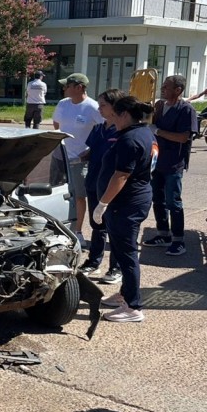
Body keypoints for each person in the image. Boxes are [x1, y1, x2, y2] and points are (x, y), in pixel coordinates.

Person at [92, 95, 155, 324]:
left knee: (127, 254)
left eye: (114, 115)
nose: (112, 120)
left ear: (125, 114)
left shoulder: (130, 139)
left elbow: (121, 175)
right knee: (120, 250)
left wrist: (103, 203)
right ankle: (125, 294)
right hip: (132, 200)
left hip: (125, 204)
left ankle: (133, 306)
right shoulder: (146, 132)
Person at [143, 74, 197, 256]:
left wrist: (158, 131)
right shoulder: (159, 106)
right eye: (163, 86)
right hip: (157, 160)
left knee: (173, 201)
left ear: (178, 90)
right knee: (157, 199)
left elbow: (183, 137)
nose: (162, 89)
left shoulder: (186, 110)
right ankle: (163, 233)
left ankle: (178, 240)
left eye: (166, 87)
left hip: (174, 162)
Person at [50, 73, 103, 245]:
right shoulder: (63, 104)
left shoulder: (93, 107)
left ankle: (78, 232)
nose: (64, 88)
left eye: (67, 85)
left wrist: (90, 151)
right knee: (55, 193)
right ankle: (55, 228)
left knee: (79, 196)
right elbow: (56, 124)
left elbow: (103, 130)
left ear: (79, 87)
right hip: (60, 156)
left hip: (80, 160)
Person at [80, 88, 125, 284]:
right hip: (93, 183)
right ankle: (93, 261)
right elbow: (92, 150)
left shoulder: (123, 131)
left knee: (114, 228)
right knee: (97, 225)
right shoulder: (98, 128)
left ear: (115, 106)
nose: (99, 108)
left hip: (111, 187)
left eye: (103, 105)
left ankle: (116, 267)